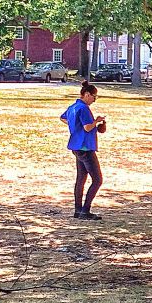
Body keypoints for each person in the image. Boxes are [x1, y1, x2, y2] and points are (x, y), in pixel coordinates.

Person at [60, 81, 106, 220]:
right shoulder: (84, 108)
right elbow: (87, 127)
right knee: (97, 180)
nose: (94, 99)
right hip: (85, 147)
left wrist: (75, 127)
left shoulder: (73, 106)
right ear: (86, 94)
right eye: (94, 96)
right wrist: (97, 121)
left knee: (81, 179)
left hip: (76, 146)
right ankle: (85, 211)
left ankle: (77, 210)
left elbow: (63, 118)